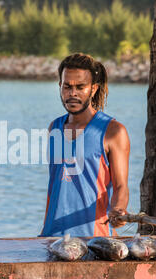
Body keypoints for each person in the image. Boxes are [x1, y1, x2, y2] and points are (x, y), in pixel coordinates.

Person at [40, 53, 130, 237]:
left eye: (80, 87)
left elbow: (121, 186)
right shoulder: (54, 128)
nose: (72, 93)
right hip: (52, 236)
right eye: (67, 86)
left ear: (94, 89)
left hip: (95, 238)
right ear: (60, 87)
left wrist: (119, 210)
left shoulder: (113, 131)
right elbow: (57, 185)